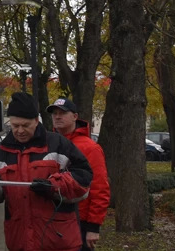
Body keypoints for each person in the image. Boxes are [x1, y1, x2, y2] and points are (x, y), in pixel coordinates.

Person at [0, 92, 93, 251]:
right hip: (19, 240)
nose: (20, 131)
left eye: (25, 125)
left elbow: (83, 180)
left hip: (59, 242)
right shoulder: (1, 151)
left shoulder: (58, 144)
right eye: (15, 126)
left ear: (36, 121)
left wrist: (53, 187)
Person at [48, 98, 110, 250]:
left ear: (75, 117)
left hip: (79, 223)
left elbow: (99, 188)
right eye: (54, 113)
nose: (57, 117)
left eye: (62, 113)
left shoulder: (90, 148)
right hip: (51, 219)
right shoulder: (48, 145)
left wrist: (93, 227)